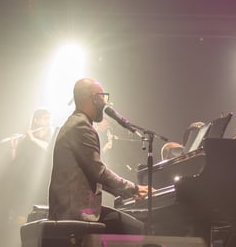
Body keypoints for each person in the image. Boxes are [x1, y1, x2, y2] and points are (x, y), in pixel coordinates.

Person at [48, 78, 147, 234]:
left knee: (127, 224)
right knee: (135, 229)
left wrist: (127, 193)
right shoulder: (81, 126)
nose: (105, 103)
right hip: (75, 211)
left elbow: (93, 175)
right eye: (103, 97)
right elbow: (99, 172)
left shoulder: (75, 123)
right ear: (93, 98)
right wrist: (134, 188)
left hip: (71, 207)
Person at [8, 108, 55, 224]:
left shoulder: (51, 135)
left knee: (41, 212)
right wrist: (13, 147)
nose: (48, 121)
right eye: (45, 119)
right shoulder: (27, 139)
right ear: (36, 120)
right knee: (23, 213)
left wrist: (33, 139)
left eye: (49, 118)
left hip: (44, 180)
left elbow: (48, 148)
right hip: (27, 181)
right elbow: (15, 161)